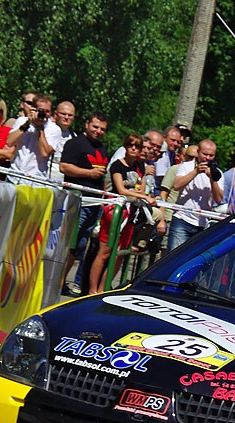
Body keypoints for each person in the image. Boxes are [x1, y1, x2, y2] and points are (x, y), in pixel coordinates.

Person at [88, 134, 160, 294]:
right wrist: (143, 196)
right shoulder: (117, 165)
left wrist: (145, 196)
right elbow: (121, 189)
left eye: (137, 146)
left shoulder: (140, 166)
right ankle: (92, 290)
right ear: (125, 146)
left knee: (119, 254)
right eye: (130, 145)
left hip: (132, 213)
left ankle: (103, 289)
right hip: (115, 212)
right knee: (104, 253)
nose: (133, 148)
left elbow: (141, 189)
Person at [59, 112, 110, 296]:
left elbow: (102, 176)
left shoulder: (102, 147)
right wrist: (89, 173)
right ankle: (54, 281)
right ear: (87, 124)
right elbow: (64, 167)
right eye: (95, 127)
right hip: (77, 200)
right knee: (67, 243)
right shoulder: (75, 144)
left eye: (102, 129)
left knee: (79, 246)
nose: (98, 131)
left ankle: (61, 282)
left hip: (95, 203)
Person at [169, 138, 223, 251]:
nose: (207, 158)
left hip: (202, 223)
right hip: (182, 219)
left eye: (211, 155)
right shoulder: (186, 166)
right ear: (198, 152)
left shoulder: (218, 173)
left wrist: (212, 179)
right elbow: (176, 185)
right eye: (205, 154)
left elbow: (218, 199)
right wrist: (196, 171)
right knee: (174, 255)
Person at [6, 93, 54, 182]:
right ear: (34, 109)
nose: (44, 114)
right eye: (41, 110)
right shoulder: (21, 121)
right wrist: (28, 123)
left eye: (47, 111)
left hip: (35, 180)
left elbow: (44, 153)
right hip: (14, 176)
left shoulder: (54, 129)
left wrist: (40, 128)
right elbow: (9, 142)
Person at [45, 100, 77, 182]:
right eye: (63, 114)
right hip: (43, 177)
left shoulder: (74, 137)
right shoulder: (46, 129)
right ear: (56, 114)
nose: (66, 117)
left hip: (63, 181)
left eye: (70, 115)